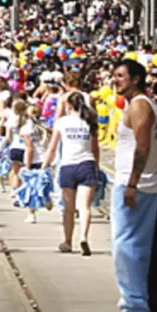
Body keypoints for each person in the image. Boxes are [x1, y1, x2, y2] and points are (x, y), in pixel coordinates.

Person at [106, 58, 157, 312]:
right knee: (142, 247)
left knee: (125, 247)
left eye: (120, 75)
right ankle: (147, 304)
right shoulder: (140, 105)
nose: (115, 80)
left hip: (137, 186)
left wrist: (132, 183)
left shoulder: (140, 106)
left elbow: (142, 147)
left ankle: (134, 304)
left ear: (136, 79)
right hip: (142, 184)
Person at [43, 91, 100, 255]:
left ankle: (67, 241)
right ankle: (83, 236)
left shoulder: (62, 122)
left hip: (68, 166)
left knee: (69, 208)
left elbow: (52, 148)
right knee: (85, 207)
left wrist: (44, 166)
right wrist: (96, 167)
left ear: (68, 105)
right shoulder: (89, 121)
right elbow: (95, 148)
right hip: (87, 164)